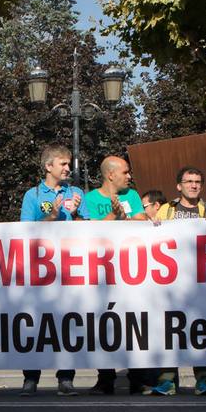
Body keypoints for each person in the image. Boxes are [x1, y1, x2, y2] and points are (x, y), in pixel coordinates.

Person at [17, 144, 86, 397]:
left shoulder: (77, 192)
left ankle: (66, 378)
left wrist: (77, 214)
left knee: (67, 324)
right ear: (48, 167)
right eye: (63, 164)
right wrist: (52, 216)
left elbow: (87, 229)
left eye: (69, 164)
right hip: (40, 271)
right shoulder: (33, 195)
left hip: (68, 270)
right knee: (34, 323)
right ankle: (30, 378)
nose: (68, 168)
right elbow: (25, 231)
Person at [149, 166, 206, 396]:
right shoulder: (166, 211)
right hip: (171, 285)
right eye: (189, 181)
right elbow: (152, 238)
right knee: (170, 333)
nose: (194, 185)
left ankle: (203, 380)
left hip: (200, 284)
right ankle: (168, 381)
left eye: (198, 181)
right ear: (178, 186)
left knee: (201, 332)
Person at [80, 156, 147, 395]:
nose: (129, 176)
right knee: (102, 327)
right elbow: (88, 232)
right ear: (111, 175)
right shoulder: (89, 199)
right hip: (101, 277)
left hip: (130, 274)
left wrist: (125, 218)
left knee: (134, 326)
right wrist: (113, 217)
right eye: (126, 172)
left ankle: (136, 378)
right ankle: (105, 378)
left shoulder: (132, 196)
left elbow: (143, 226)